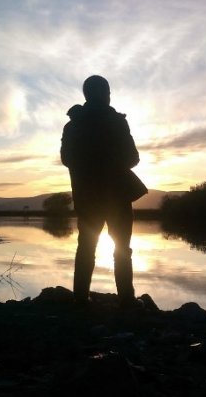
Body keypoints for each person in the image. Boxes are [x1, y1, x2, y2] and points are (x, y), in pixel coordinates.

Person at [60, 75, 147, 305]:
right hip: (117, 196)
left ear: (86, 95)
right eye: (108, 92)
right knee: (121, 248)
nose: (109, 96)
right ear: (104, 94)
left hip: (86, 196)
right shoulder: (116, 121)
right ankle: (127, 300)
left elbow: (66, 159)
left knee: (86, 247)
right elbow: (133, 157)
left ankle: (80, 298)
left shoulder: (72, 125)